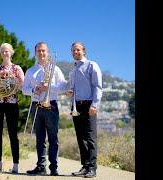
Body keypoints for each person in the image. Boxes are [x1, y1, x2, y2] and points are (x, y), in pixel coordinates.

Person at [22, 42, 68, 176]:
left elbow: (63, 87)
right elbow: (24, 89)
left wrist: (48, 87)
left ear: (47, 52)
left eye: (43, 51)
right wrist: (34, 90)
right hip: (36, 105)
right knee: (40, 138)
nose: (41, 53)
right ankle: (41, 166)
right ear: (35, 53)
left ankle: (54, 168)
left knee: (53, 138)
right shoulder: (30, 71)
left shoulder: (56, 69)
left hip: (51, 105)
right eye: (39, 51)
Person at [66, 42, 102, 178]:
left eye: (78, 50)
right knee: (81, 138)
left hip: (89, 105)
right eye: (73, 50)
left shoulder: (92, 65)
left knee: (90, 138)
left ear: (84, 51)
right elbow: (73, 88)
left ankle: (92, 168)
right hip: (76, 105)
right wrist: (70, 92)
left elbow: (98, 86)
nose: (75, 52)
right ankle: (85, 166)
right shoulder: (73, 70)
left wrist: (95, 105)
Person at [0, 43, 24, 174]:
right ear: (0, 53)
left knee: (13, 134)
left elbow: (22, 86)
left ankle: (15, 164)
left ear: (11, 52)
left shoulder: (17, 68)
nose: (4, 53)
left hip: (11, 103)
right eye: (2, 51)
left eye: (7, 51)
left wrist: (14, 78)